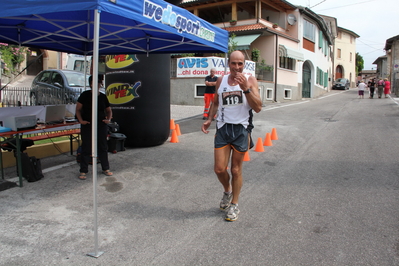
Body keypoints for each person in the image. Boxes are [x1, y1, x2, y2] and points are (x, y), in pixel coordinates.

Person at [201, 51, 262, 222]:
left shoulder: (250, 80)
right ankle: (227, 191)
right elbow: (215, 102)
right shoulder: (220, 80)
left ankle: (234, 204)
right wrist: (208, 119)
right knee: (219, 169)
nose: (237, 67)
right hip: (223, 128)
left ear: (244, 64)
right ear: (229, 64)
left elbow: (258, 107)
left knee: (236, 170)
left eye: (240, 64)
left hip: (241, 129)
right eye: (234, 63)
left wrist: (246, 90)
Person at [75, 74, 113, 180]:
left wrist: (108, 119)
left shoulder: (103, 96)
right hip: (87, 124)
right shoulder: (85, 95)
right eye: (95, 82)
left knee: (103, 147)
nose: (98, 84)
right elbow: (78, 109)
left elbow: (109, 110)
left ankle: (105, 168)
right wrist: (81, 120)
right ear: (91, 84)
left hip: (101, 125)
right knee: (86, 147)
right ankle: (83, 171)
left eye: (99, 83)